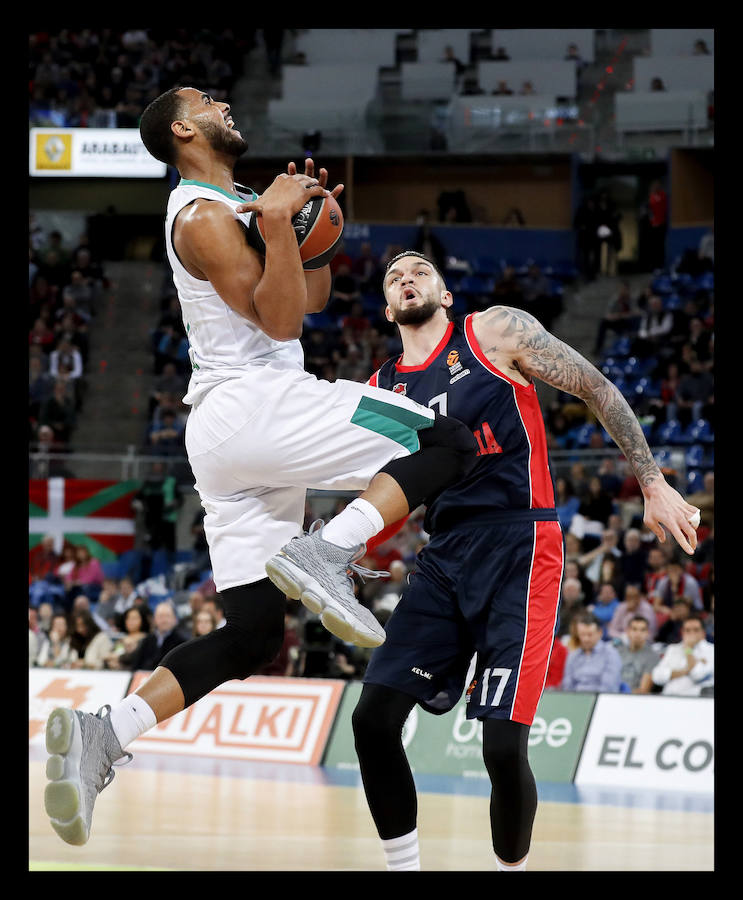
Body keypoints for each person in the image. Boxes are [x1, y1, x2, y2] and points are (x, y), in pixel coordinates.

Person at [44, 87, 477, 848]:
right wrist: (274, 223)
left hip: (233, 438)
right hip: (258, 403)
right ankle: (328, 549)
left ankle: (103, 734)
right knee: (444, 443)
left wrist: (309, 234)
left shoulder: (237, 199)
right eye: (206, 101)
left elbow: (303, 297)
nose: (223, 103)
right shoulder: (202, 214)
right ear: (184, 129)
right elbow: (277, 323)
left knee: (253, 635)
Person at [351, 250, 699, 872]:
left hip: (522, 544)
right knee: (373, 718)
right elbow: (377, 487)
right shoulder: (381, 390)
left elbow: (596, 386)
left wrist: (651, 480)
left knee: (502, 747)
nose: (408, 279)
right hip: (444, 552)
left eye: (421, 271)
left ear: (446, 293)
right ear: (386, 306)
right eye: (395, 278)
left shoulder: (493, 332)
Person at [651, 615, 714, 696]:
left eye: (696, 630)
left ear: (703, 633)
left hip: (695, 699)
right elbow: (656, 676)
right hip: (668, 696)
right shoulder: (673, 648)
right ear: (682, 632)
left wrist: (688, 650)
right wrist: (685, 671)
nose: (691, 634)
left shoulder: (711, 650)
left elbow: (697, 675)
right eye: (687, 630)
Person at [561, 613, 623, 693]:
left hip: (601, 701)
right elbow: (567, 686)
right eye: (582, 634)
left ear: (600, 633)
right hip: (574, 700)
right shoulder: (573, 656)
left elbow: (609, 687)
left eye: (590, 635)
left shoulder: (611, 654)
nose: (586, 639)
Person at [615, 616, 660, 693]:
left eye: (642, 630)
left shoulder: (652, 656)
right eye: (634, 629)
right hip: (610, 695)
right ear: (627, 631)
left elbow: (644, 690)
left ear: (647, 633)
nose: (638, 634)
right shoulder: (617, 651)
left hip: (634, 700)